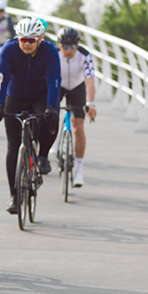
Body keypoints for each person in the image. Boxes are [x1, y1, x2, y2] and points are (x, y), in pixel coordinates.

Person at [0, 17, 61, 214]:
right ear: (18, 39)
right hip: (16, 94)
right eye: (23, 40)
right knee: (13, 146)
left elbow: (54, 80)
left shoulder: (50, 51)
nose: (27, 44)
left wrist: (51, 107)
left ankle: (43, 155)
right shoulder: (9, 49)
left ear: (41, 39)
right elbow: (0, 78)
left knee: (48, 118)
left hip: (40, 94)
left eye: (32, 40)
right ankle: (14, 195)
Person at [56, 27, 97, 187]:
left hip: (76, 87)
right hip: (58, 85)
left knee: (78, 127)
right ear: (58, 44)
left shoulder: (85, 56)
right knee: (48, 117)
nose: (68, 51)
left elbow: (89, 80)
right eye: (64, 47)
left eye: (72, 47)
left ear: (77, 45)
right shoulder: (53, 53)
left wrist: (91, 103)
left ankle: (79, 170)